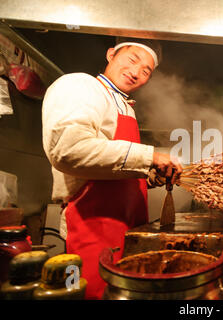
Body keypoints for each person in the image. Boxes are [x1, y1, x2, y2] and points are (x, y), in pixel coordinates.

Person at [42, 37, 182, 299]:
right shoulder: (80, 85)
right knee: (78, 291)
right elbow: (68, 151)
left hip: (126, 232)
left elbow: (109, 166)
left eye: (146, 71)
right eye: (132, 59)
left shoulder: (125, 107)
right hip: (86, 229)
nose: (136, 72)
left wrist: (149, 175)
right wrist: (150, 156)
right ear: (110, 54)